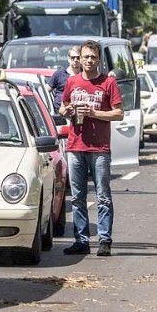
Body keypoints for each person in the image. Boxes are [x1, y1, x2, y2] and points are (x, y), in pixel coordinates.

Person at [58, 40, 124, 257]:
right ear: (80, 58)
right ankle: (82, 240)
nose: (88, 60)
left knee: (103, 195)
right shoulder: (72, 81)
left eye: (93, 57)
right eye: (85, 57)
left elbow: (118, 113)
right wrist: (66, 111)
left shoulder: (108, 83)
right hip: (75, 145)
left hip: (99, 147)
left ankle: (105, 239)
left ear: (99, 60)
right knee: (77, 197)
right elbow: (62, 106)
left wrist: (94, 113)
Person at [48, 46, 82, 112]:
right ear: (68, 59)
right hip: (59, 114)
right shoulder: (59, 74)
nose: (75, 60)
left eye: (78, 58)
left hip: (79, 113)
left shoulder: (85, 75)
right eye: (73, 58)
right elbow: (46, 90)